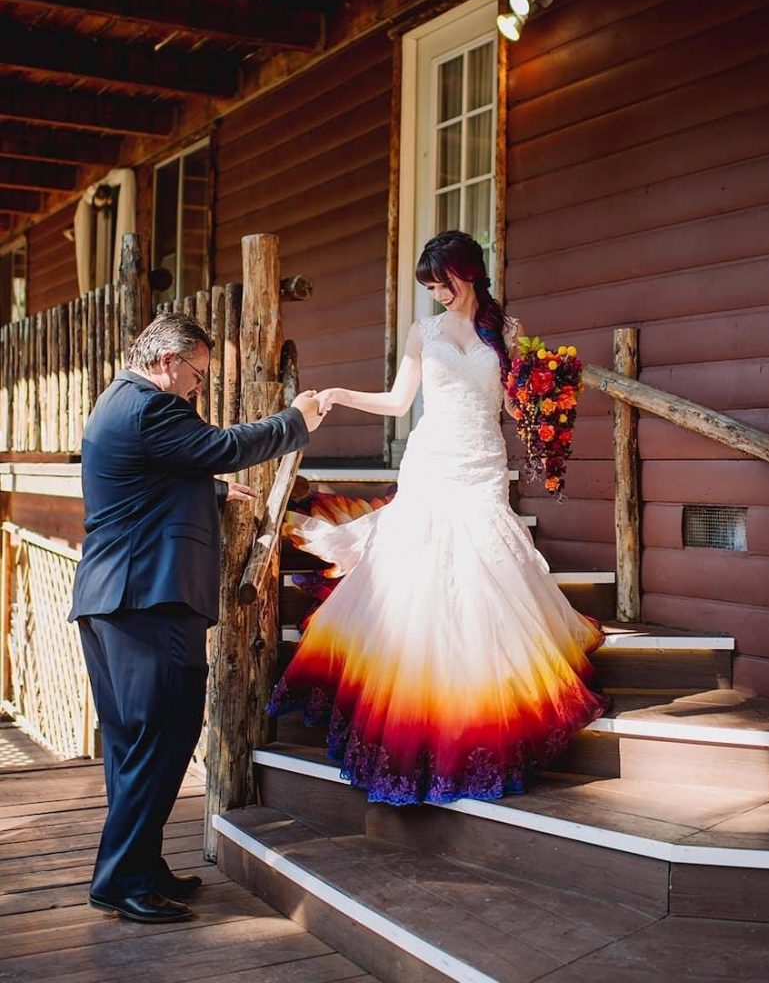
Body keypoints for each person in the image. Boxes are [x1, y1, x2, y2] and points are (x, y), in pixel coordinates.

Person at [268, 230, 606, 805]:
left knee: (488, 573)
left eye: (441, 283)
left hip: (483, 462)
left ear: (467, 273)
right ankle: (420, 708)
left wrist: (545, 401)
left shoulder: (505, 331)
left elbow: (511, 404)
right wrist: (342, 394)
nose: (437, 294)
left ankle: (484, 702)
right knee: (425, 578)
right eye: (428, 286)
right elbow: (400, 403)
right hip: (433, 460)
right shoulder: (423, 332)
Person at [69, 312, 323, 924]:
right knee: (161, 737)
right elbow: (224, 447)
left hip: (117, 601)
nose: (197, 387)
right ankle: (119, 879)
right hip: (145, 600)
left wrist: (210, 494)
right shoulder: (154, 407)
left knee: (137, 744)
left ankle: (142, 865)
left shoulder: (118, 402)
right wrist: (295, 422)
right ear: (165, 362)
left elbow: (142, 480)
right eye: (197, 374)